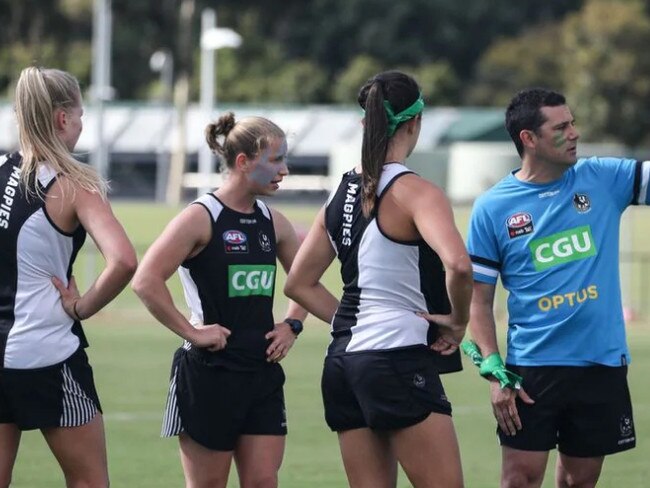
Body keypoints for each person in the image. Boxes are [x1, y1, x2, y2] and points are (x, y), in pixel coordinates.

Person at [284, 70, 473, 488]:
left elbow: (298, 284)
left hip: (342, 365)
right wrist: (458, 323)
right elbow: (459, 266)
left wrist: (353, 321)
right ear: (414, 123)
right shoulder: (416, 192)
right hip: (396, 357)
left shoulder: (340, 194)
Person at [466, 87, 648, 488]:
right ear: (529, 139)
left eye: (573, 122)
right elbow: (477, 299)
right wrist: (494, 370)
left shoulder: (603, 177)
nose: (575, 133)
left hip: (600, 361)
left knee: (579, 482)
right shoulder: (493, 208)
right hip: (533, 367)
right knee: (520, 480)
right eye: (561, 127)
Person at [132, 112, 307, 488]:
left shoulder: (273, 221)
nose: (285, 169)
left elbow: (305, 281)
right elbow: (146, 281)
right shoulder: (200, 217)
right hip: (209, 375)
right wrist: (192, 333)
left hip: (261, 373)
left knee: (263, 482)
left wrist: (292, 324)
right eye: (276, 160)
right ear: (243, 162)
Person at [0, 67, 137, 487]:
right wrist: (81, 306)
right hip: (45, 353)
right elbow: (125, 261)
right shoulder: (73, 185)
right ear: (62, 119)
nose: (80, 126)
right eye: (79, 116)